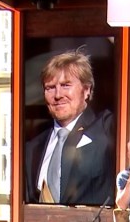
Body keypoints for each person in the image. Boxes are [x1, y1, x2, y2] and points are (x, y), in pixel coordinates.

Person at [24, 49, 114, 205]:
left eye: (66, 85)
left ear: (87, 90)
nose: (58, 95)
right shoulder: (33, 148)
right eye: (50, 88)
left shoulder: (107, 128)